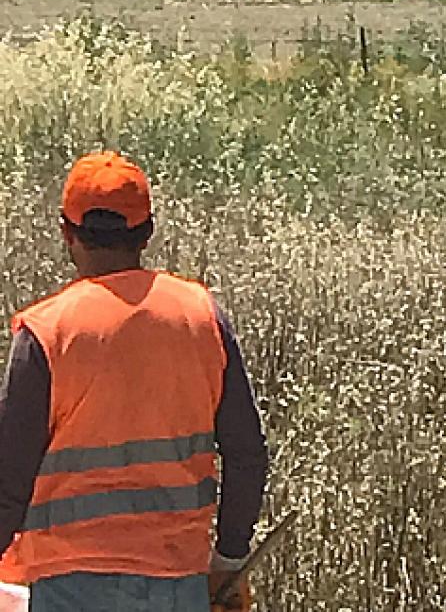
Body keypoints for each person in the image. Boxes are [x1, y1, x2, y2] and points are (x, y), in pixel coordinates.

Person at [0, 152, 268, 612]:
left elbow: (8, 478)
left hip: (70, 587)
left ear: (67, 232)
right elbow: (246, 453)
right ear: (147, 232)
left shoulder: (47, 333)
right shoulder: (202, 317)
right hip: (178, 584)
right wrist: (228, 557)